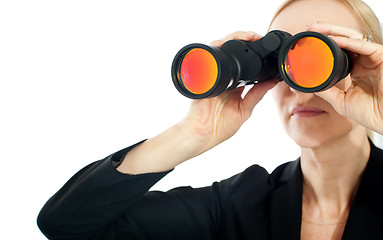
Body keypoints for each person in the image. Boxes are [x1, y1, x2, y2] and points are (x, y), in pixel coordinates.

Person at [37, 0, 383, 239]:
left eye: (321, 60)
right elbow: (68, 226)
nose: (302, 91)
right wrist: (193, 133)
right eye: (284, 66)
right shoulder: (240, 205)